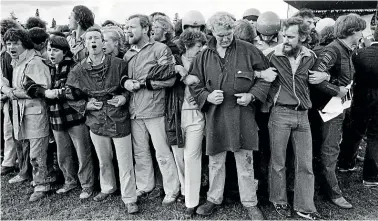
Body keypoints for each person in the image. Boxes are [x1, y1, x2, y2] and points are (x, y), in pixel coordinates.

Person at [189, 12, 276, 219]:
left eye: (229, 34)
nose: (226, 38)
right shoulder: (203, 55)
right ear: (211, 33)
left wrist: (252, 96)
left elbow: (267, 76)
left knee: (245, 160)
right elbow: (193, 82)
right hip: (216, 116)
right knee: (216, 161)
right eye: (221, 36)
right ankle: (213, 199)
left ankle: (250, 202)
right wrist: (207, 97)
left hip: (242, 116)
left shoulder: (249, 50)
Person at [65, 27, 138, 213]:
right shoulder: (79, 69)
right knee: (104, 159)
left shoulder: (119, 63)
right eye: (89, 39)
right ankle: (108, 187)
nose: (94, 41)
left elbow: (128, 85)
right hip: (96, 118)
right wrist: (85, 106)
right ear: (85, 43)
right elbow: (69, 93)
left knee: (124, 160)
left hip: (117, 116)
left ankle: (129, 197)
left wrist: (124, 98)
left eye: (97, 38)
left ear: (103, 42)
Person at [265, 16, 322, 220]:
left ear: (304, 38)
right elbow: (250, 68)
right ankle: (279, 201)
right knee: (278, 161)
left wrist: (326, 77)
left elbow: (320, 76)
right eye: (284, 35)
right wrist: (260, 74)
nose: (285, 40)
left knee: (305, 163)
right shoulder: (271, 54)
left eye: (290, 37)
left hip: (303, 116)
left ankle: (304, 205)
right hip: (280, 113)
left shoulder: (311, 56)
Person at [120, 14, 180, 206]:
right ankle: (145, 186)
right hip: (134, 111)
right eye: (126, 27)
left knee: (162, 152)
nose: (127, 30)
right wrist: (126, 82)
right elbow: (122, 78)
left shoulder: (160, 49)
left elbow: (170, 79)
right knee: (140, 152)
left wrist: (144, 83)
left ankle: (172, 190)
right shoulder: (128, 53)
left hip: (155, 109)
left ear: (145, 29)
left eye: (132, 27)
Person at [311, 13, 366, 209]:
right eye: (360, 30)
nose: (362, 34)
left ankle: (328, 187)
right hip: (330, 110)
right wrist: (337, 90)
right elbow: (315, 78)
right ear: (351, 31)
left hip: (338, 108)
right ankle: (333, 192)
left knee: (331, 149)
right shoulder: (333, 50)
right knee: (330, 150)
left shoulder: (344, 49)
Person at [2, 28, 52, 202]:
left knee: (37, 153)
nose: (11, 47)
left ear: (24, 43)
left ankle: (42, 185)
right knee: (28, 151)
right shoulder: (18, 62)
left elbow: (43, 90)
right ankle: (34, 179)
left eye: (15, 43)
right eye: (8, 43)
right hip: (23, 113)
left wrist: (11, 92)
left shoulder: (34, 62)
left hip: (36, 114)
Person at [42, 35, 95, 198]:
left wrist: (57, 93)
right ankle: (69, 181)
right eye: (49, 50)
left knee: (82, 152)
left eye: (56, 50)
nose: (51, 53)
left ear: (65, 52)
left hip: (75, 117)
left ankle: (87, 185)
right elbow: (40, 88)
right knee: (63, 153)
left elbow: (79, 91)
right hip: (56, 117)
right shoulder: (49, 69)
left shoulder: (74, 67)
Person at [169, 29, 207, 217]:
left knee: (192, 158)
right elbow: (158, 74)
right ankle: (185, 192)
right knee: (179, 157)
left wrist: (200, 93)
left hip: (196, 115)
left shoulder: (205, 61)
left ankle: (191, 202)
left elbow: (212, 83)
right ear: (187, 45)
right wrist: (178, 70)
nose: (202, 49)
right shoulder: (174, 60)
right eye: (199, 46)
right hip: (175, 115)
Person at [337, 27, 378, 187]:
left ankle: (345, 163)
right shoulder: (359, 53)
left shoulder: (359, 54)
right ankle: (371, 176)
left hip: (360, 97)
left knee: (354, 130)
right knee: (375, 135)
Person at [0, 18, 22, 176]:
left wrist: (7, 92)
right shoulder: (3, 53)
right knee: (8, 131)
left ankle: (14, 162)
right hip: (8, 95)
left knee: (14, 131)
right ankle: (8, 161)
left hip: (15, 96)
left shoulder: (10, 54)